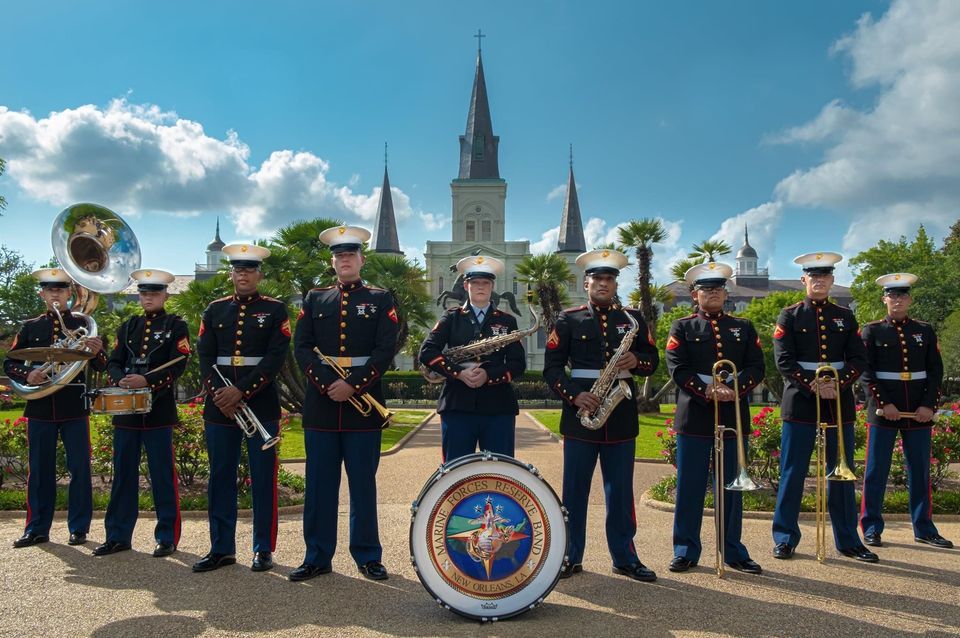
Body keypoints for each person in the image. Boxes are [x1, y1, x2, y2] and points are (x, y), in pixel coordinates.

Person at [289, 225, 399, 582]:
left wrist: (352, 385)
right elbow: (302, 347)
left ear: (361, 259)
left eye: (350, 254)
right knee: (320, 485)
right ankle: (317, 556)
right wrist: (327, 383)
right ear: (333, 261)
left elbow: (386, 350)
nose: (344, 260)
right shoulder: (314, 298)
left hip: (363, 401)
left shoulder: (381, 298)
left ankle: (368, 555)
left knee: (363, 483)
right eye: (339, 255)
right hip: (322, 405)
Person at [543, 249, 659, 581]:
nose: (603, 284)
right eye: (597, 279)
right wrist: (575, 395)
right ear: (586, 283)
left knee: (620, 491)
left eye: (609, 279)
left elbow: (652, 359)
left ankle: (624, 556)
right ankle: (569, 555)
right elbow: (551, 370)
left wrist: (636, 361)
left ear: (615, 283)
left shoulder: (633, 318)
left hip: (620, 414)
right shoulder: (568, 318)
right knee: (574, 490)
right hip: (582, 413)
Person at [771, 252, 877, 562]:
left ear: (831, 280)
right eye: (813, 276)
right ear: (804, 280)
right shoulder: (788, 316)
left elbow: (859, 358)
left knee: (842, 473)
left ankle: (848, 540)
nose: (819, 281)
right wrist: (815, 384)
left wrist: (838, 383)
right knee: (792, 471)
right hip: (800, 400)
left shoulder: (845, 315)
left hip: (838, 400)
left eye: (825, 277)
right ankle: (785, 537)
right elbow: (784, 361)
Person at [193, 244, 291, 573]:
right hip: (219, 405)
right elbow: (204, 355)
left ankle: (263, 548)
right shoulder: (214, 309)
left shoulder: (275, 310)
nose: (243, 275)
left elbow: (275, 357)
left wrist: (242, 390)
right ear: (231, 274)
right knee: (220, 477)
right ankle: (221, 547)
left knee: (263, 479)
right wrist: (220, 393)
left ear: (259, 274)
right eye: (238, 270)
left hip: (260, 403)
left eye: (249, 270)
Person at [666, 263, 765, 574]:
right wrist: (707, 389)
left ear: (725, 293)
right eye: (705, 290)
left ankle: (733, 551)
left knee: (733, 487)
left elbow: (756, 366)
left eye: (717, 289)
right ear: (695, 295)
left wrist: (732, 388)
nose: (712, 294)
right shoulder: (681, 327)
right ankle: (685, 549)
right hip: (695, 414)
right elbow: (677, 368)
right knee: (690, 486)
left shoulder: (744, 327)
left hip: (733, 413)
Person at [3, 267, 107, 548]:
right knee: (39, 471)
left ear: (69, 293)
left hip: (74, 405)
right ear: (42, 294)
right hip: (40, 407)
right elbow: (9, 363)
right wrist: (28, 375)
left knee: (80, 470)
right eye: (50, 290)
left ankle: (79, 528)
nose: (55, 295)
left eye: (61, 290)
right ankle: (36, 528)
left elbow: (102, 366)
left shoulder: (84, 324)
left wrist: (97, 352)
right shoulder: (30, 327)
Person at [93, 269, 190, 558]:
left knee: (162, 476)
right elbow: (113, 361)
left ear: (165, 296)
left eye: (154, 293)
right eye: (144, 293)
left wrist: (147, 381)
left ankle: (166, 537)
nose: (148, 297)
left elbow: (178, 363)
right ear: (138, 295)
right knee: (122, 476)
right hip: (126, 413)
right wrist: (120, 379)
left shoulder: (176, 325)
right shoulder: (128, 326)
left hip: (158, 411)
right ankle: (118, 535)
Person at [859, 273, 952, 549]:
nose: (897, 300)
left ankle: (924, 528)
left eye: (902, 296)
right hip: (883, 409)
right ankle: (871, 527)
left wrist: (928, 405)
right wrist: (884, 404)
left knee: (920, 470)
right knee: (876, 470)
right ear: (884, 299)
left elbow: (936, 371)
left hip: (918, 409)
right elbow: (866, 371)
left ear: (909, 299)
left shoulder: (924, 330)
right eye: (892, 296)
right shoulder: (872, 330)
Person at [418, 255, 526, 461]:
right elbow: (427, 351)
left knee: (499, 472)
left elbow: (518, 364)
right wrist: (458, 373)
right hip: (457, 405)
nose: (480, 287)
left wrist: (488, 375)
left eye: (485, 282)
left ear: (492, 285)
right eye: (475, 282)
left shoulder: (508, 321)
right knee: (455, 472)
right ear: (466, 285)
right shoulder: (451, 317)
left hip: (498, 408)